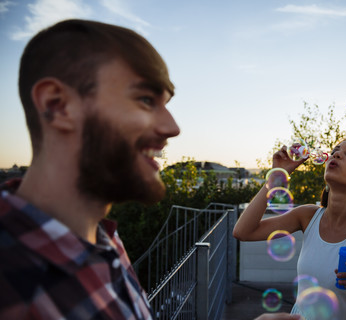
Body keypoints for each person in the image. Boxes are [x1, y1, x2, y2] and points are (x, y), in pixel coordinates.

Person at [0, 19, 301, 320]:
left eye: (166, 103)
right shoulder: (14, 290)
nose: (172, 128)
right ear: (58, 105)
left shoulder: (102, 239)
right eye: (145, 99)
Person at [233, 137, 346, 320]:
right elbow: (243, 232)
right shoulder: (308, 216)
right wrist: (277, 175)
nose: (337, 154)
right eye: (334, 151)